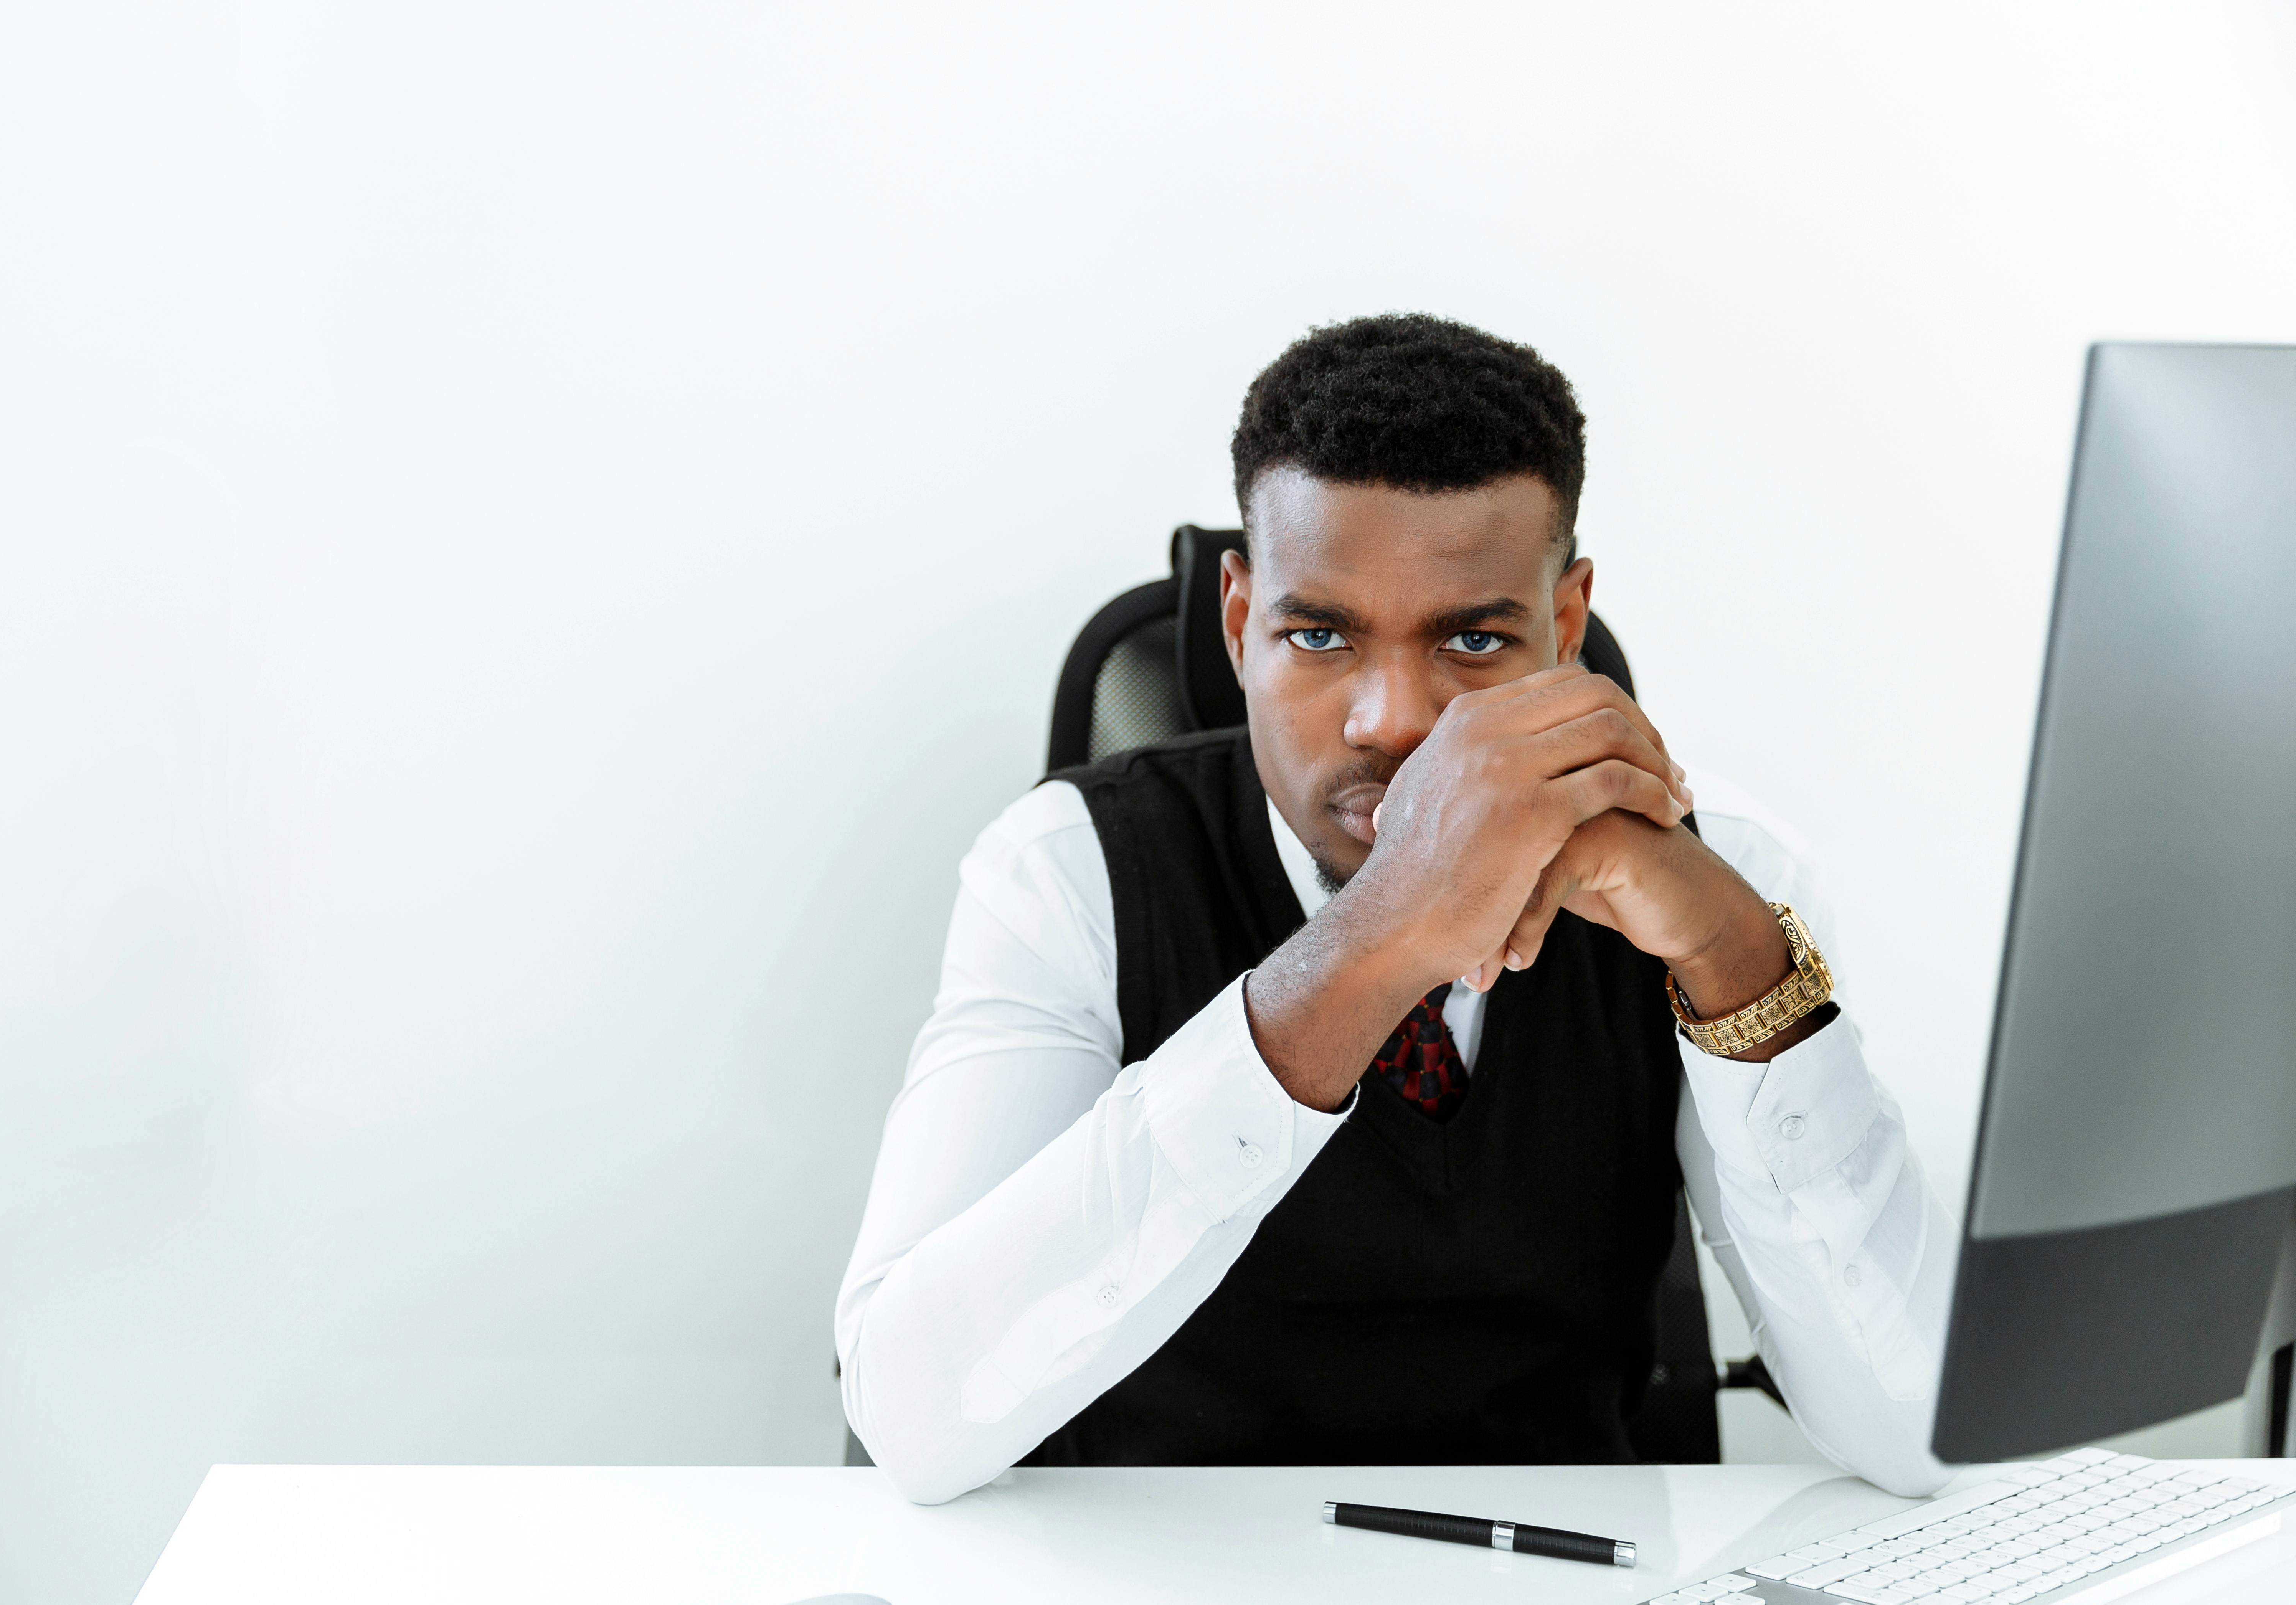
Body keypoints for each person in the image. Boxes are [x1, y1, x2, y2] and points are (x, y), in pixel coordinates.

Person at [835, 314, 1958, 1504]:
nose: (1391, 721)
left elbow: (1916, 1435)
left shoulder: (1717, 869)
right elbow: (908, 1417)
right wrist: (1376, 945)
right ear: (1235, 621)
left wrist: (1737, 966)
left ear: (1565, 626)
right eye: (1316, 635)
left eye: (1473, 640)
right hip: (1153, 1573)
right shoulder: (1068, 869)